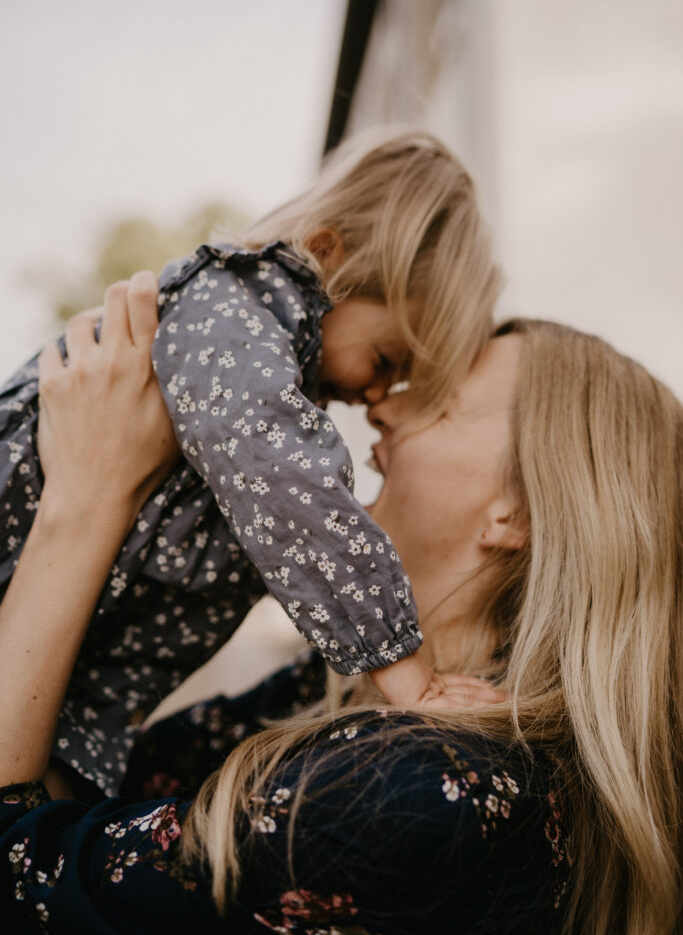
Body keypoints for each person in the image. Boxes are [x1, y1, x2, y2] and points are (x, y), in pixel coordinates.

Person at [1, 280, 680, 934]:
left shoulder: (415, 792)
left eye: (439, 398)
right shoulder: (338, 690)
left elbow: (21, 878)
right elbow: (95, 789)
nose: (379, 407)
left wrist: (84, 497)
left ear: (519, 509)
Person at [0, 130, 500, 795]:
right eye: (385, 361)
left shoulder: (281, 376)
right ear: (327, 254)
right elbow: (288, 483)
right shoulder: (237, 307)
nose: (377, 397)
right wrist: (402, 668)